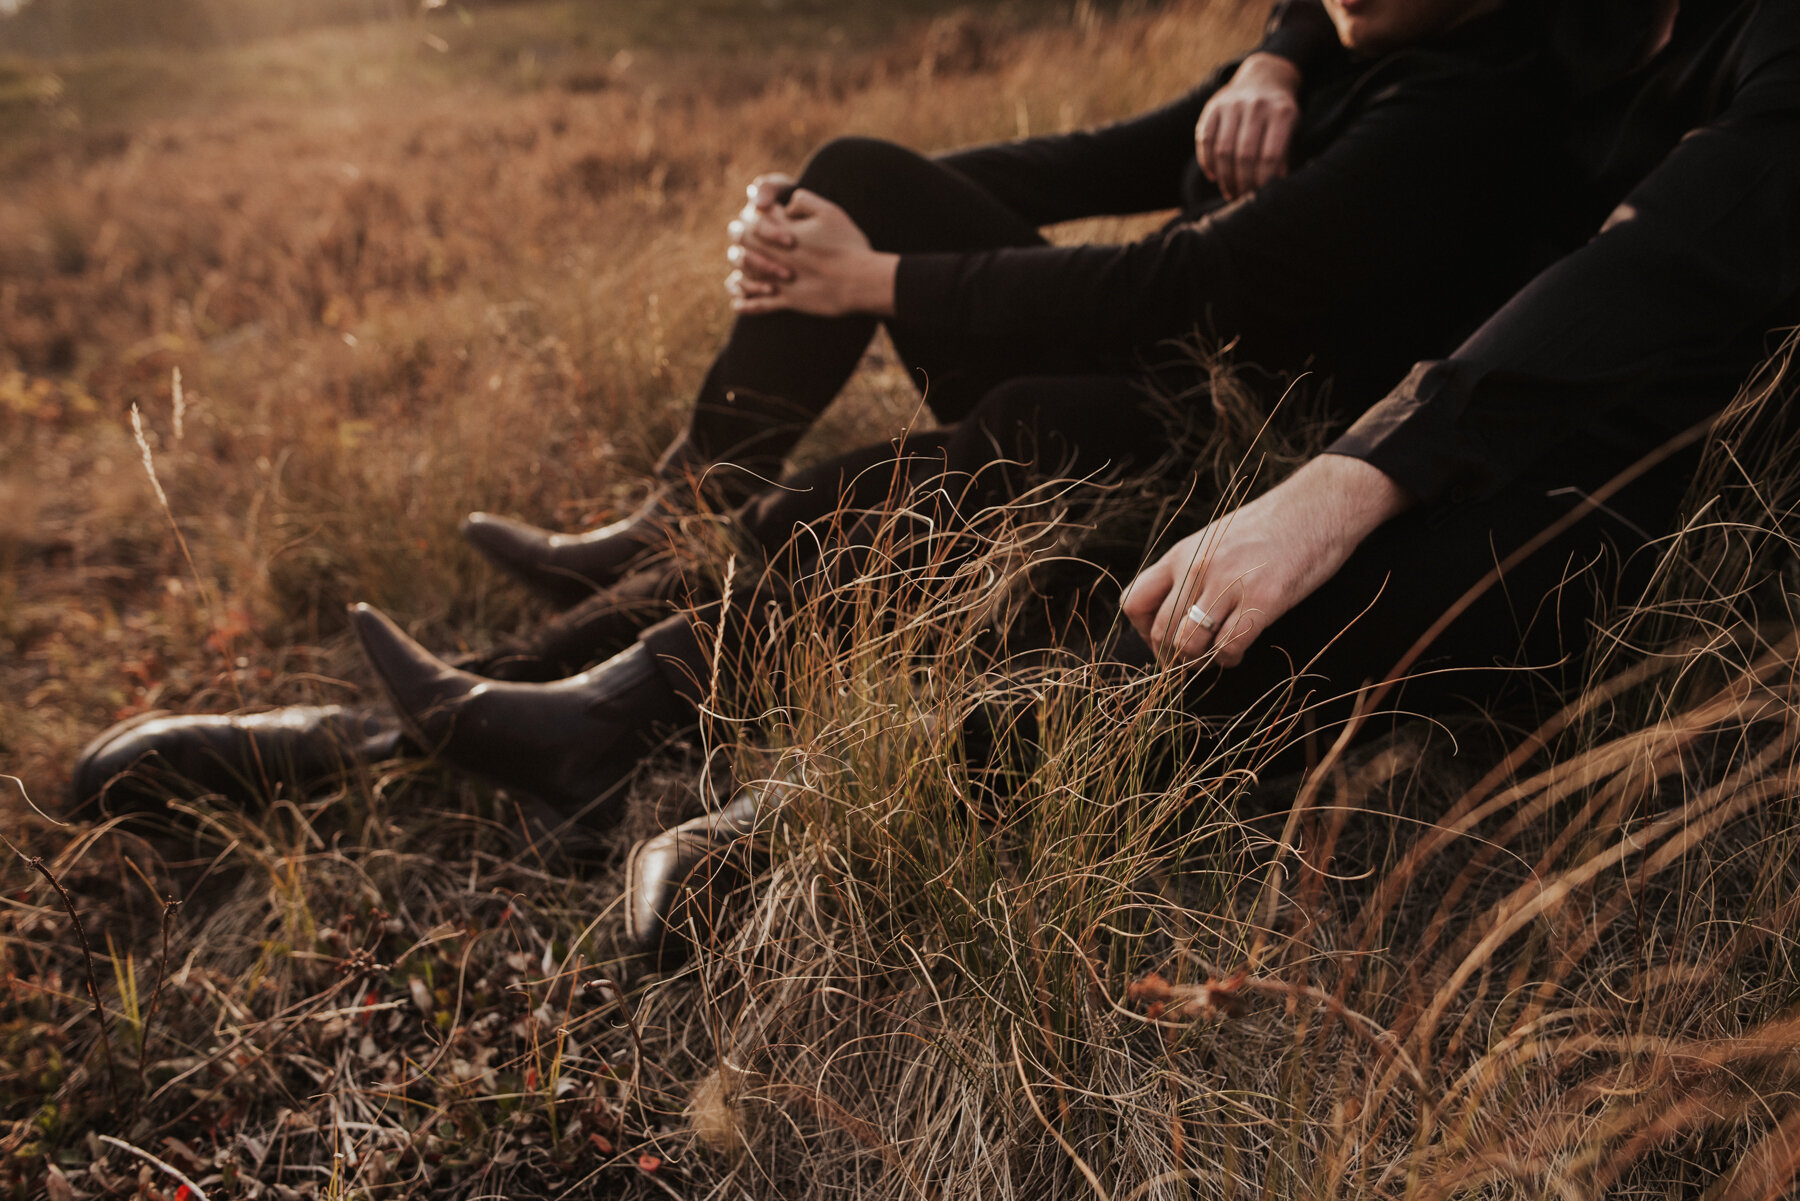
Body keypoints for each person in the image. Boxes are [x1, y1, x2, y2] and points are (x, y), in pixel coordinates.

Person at [71, 0, 1561, 904]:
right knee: (851, 180)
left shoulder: (1475, 109)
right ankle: (664, 542)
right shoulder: (1337, 43)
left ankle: (432, 736)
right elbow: (1092, 161)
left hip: (1248, 486)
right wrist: (838, 235)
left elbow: (1181, 288)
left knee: (1013, 436)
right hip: (1151, 380)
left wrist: (878, 284)